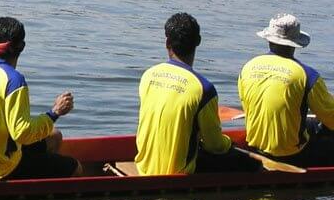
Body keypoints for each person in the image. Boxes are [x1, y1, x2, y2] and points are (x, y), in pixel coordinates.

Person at [134, 13, 258, 175]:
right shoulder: (203, 89)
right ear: (198, 42)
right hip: (177, 172)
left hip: (143, 168)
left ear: (167, 43)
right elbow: (215, 146)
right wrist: (230, 143)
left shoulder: (148, 76)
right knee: (250, 164)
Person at [0, 17, 78, 182]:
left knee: (54, 136)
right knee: (75, 167)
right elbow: (22, 134)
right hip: (0, 169)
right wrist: (55, 112)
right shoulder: (14, 81)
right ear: (21, 47)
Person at [239, 14, 334, 167]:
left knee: (312, 122)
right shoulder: (307, 75)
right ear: (294, 44)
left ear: (269, 39)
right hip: (293, 155)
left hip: (256, 148)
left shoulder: (247, 67)